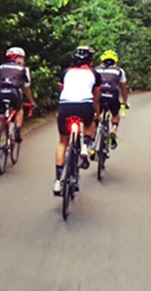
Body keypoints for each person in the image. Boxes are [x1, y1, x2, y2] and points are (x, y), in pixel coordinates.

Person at [53, 46, 101, 196]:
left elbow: (62, 89)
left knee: (63, 142)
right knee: (89, 122)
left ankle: (57, 181)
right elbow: (96, 97)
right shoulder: (94, 74)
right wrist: (97, 114)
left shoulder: (66, 72)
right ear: (91, 61)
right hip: (85, 105)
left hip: (66, 106)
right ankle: (86, 147)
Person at [0, 47, 37, 157]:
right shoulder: (23, 69)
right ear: (17, 57)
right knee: (19, 109)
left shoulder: (1, 67)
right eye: (22, 58)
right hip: (14, 92)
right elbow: (27, 87)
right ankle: (17, 130)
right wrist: (31, 101)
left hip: (0, 93)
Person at [94, 49, 129, 153]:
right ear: (115, 61)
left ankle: (91, 144)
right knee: (115, 115)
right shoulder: (119, 71)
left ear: (102, 60)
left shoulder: (96, 70)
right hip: (112, 96)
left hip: (99, 96)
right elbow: (123, 88)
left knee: (95, 117)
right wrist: (124, 102)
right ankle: (113, 130)